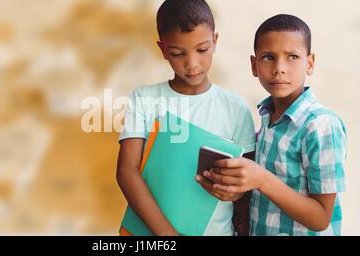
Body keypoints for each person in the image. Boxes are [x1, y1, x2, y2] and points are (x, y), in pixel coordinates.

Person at [116, 0, 255, 236]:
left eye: (202, 50)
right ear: (163, 50)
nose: (192, 64)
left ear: (215, 41)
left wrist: (236, 192)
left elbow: (246, 184)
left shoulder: (236, 109)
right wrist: (169, 235)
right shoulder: (145, 98)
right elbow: (126, 172)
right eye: (178, 53)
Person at [207, 14, 347, 235]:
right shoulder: (266, 118)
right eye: (268, 57)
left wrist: (261, 179)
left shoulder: (320, 126)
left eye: (292, 57)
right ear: (254, 65)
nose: (279, 68)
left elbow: (321, 218)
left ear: (309, 63)